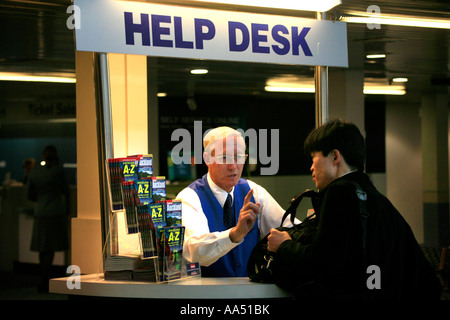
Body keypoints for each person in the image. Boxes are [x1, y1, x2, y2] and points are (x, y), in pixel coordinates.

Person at [267, 119, 441, 300]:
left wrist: (284, 245)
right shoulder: (374, 197)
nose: (311, 167)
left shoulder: (340, 192)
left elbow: (323, 263)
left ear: (335, 157)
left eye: (314, 157)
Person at [176, 126, 296, 277]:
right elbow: (194, 250)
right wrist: (235, 234)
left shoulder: (253, 191)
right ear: (208, 159)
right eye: (224, 157)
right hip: (206, 294)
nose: (233, 166)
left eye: (239, 157)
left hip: (249, 293)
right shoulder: (190, 197)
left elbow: (289, 226)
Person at [27, 145, 69, 293]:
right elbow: (65, 189)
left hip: (40, 213)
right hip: (55, 212)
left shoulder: (35, 171)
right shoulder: (58, 171)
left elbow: (30, 195)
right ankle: (46, 279)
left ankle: (43, 278)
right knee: (50, 247)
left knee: (42, 248)